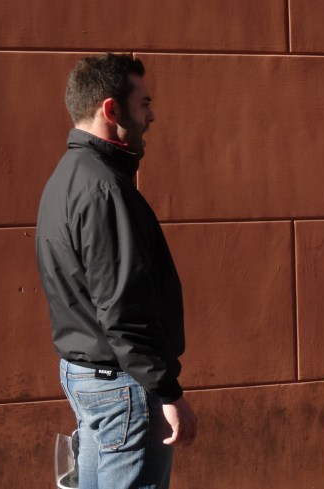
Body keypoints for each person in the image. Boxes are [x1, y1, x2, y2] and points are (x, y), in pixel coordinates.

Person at [36, 53, 198, 489]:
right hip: (122, 385)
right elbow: (124, 310)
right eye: (143, 103)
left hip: (89, 375)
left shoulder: (68, 178)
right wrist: (169, 392)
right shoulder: (103, 188)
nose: (152, 115)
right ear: (111, 109)